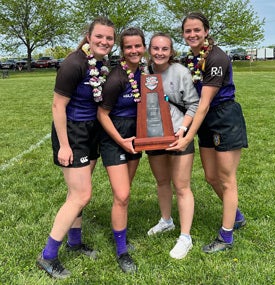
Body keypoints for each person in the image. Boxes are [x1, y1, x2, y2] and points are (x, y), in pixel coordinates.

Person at [36, 17, 115, 279]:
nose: (104, 42)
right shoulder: (73, 63)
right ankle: (47, 256)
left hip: (91, 131)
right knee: (80, 195)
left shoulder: (101, 63)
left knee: (77, 192)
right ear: (89, 36)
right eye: (99, 37)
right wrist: (65, 145)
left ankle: (75, 241)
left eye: (109, 38)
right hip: (72, 133)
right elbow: (58, 106)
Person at [168, 12, 248, 253]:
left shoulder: (216, 57)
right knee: (211, 177)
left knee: (226, 179)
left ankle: (226, 236)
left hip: (223, 118)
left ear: (206, 31)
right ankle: (236, 216)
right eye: (188, 31)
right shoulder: (191, 59)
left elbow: (203, 103)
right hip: (206, 122)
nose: (192, 35)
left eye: (197, 30)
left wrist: (187, 135)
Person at [97, 27, 146, 273]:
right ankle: (121, 251)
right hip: (114, 138)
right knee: (123, 194)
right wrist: (121, 141)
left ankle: (121, 237)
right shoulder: (117, 78)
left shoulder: (145, 75)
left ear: (143, 47)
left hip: (135, 138)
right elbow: (102, 114)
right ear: (122, 50)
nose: (134, 50)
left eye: (138, 46)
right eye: (129, 47)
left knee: (123, 194)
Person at [146, 33, 199, 259]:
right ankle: (166, 220)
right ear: (150, 49)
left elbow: (194, 105)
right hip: (153, 136)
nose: (159, 53)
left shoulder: (181, 72)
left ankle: (185, 237)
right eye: (156, 48)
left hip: (178, 135)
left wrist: (183, 129)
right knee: (161, 181)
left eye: (164, 49)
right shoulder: (143, 72)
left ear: (171, 51)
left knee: (182, 185)